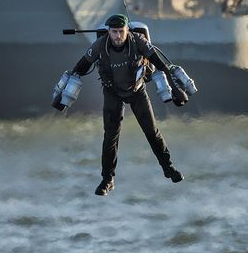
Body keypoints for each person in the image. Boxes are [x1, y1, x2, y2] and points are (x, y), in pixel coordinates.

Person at [67, 14, 185, 196]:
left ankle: (168, 169)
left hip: (137, 91)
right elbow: (80, 67)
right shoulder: (100, 45)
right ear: (108, 31)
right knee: (110, 137)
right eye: (114, 32)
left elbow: (161, 65)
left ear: (127, 30)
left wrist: (176, 90)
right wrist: (66, 85)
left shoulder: (139, 41)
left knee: (152, 132)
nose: (117, 36)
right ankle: (107, 180)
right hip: (112, 92)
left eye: (121, 31)